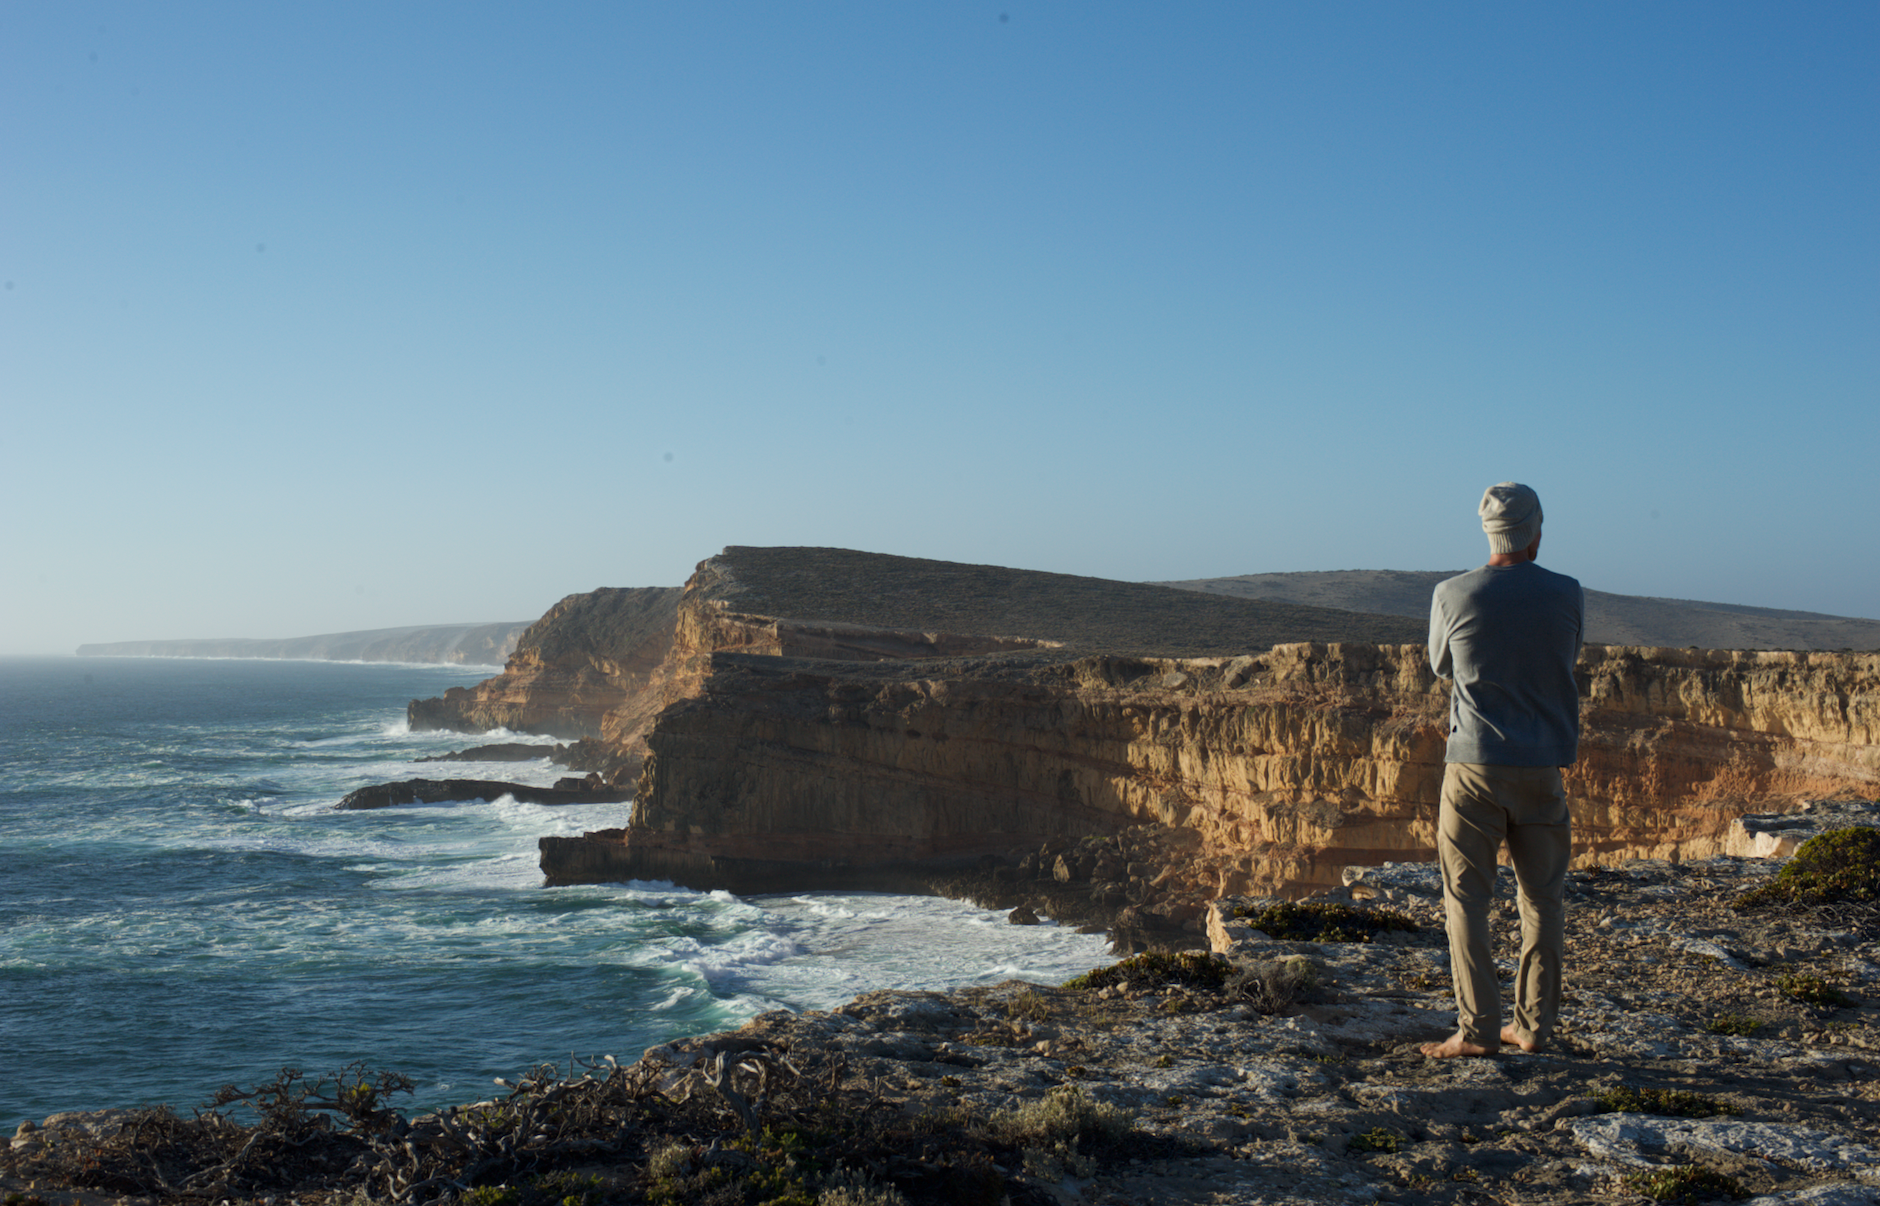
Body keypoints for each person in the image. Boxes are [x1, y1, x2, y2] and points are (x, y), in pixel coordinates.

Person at [1419, 482, 1584, 1059]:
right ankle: (1534, 1028)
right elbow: (1564, 656)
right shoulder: (1567, 593)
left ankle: (1477, 1032)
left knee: (1466, 900)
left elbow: (1441, 665)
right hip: (1542, 769)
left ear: (1488, 532)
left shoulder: (1452, 593)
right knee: (1543, 902)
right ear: (1535, 532)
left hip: (1474, 769)